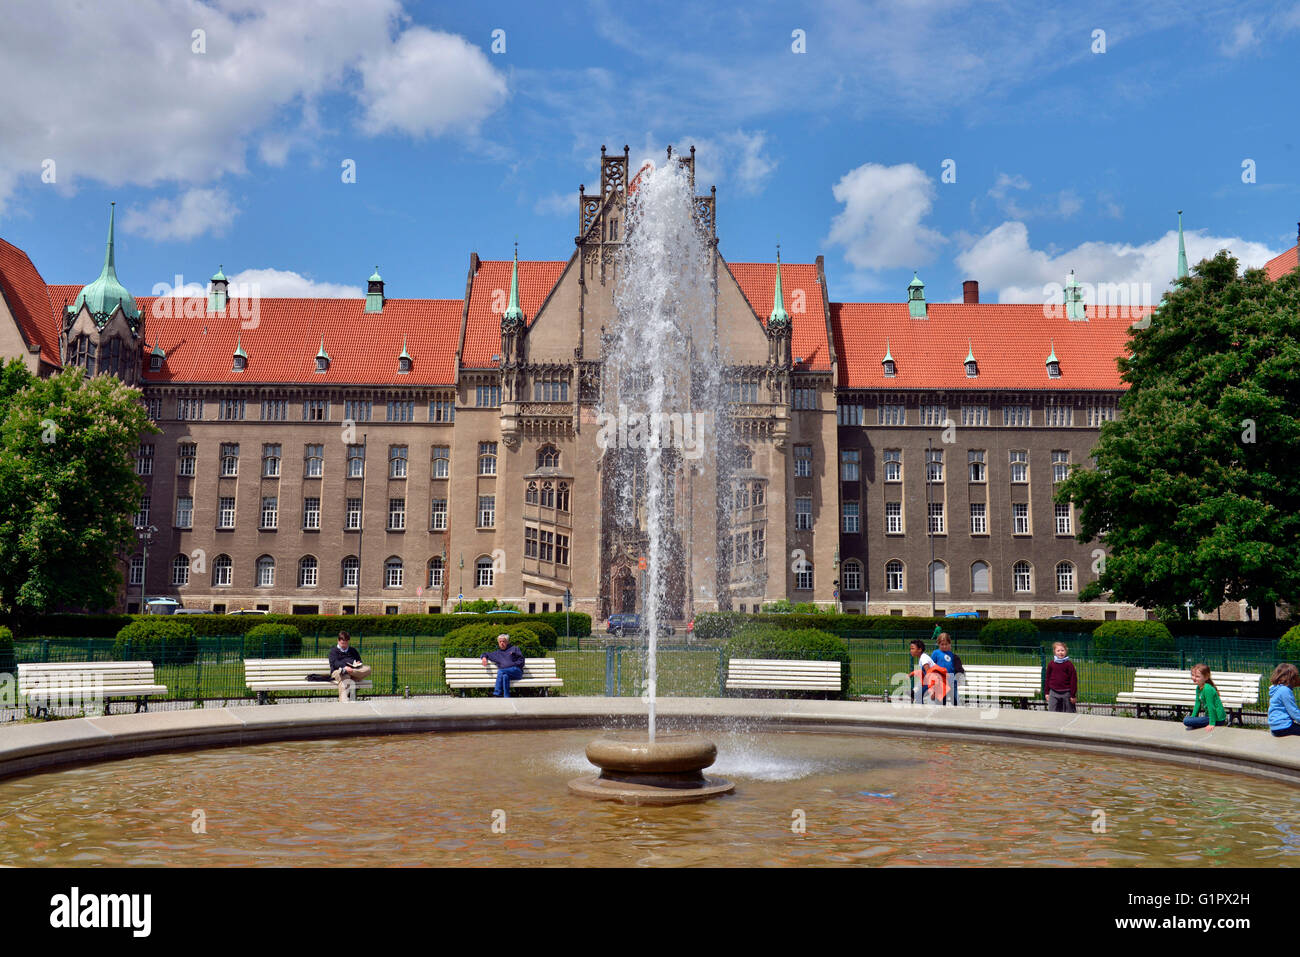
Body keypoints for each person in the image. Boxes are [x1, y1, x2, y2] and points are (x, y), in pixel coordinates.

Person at [328, 631, 371, 703]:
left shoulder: (352, 650)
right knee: (345, 677)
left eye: (346, 643)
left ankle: (349, 672)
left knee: (368, 669)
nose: (344, 645)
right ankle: (344, 701)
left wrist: (358, 663)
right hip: (338, 671)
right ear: (338, 641)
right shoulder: (333, 651)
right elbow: (335, 663)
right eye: (342, 643)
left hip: (353, 672)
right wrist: (345, 667)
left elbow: (359, 661)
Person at [482, 633, 526, 698]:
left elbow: (521, 661)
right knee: (505, 676)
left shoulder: (514, 649)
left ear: (507, 642)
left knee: (501, 671)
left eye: (503, 641)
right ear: (498, 643)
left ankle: (497, 693)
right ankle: (506, 697)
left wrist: (513, 665)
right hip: (507, 673)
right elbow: (486, 654)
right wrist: (484, 658)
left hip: (516, 672)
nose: (502, 643)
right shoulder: (497, 653)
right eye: (500, 642)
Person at [1184, 663, 1226, 730]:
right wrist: (1192, 718)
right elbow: (1197, 704)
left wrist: (1212, 723)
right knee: (1188, 720)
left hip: (1217, 719)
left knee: (1186, 720)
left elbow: (1211, 706)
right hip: (1209, 717)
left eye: (1197, 676)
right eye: (1192, 675)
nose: (1194, 678)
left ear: (1206, 677)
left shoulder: (1207, 688)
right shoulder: (1198, 688)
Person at [1043, 641, 1078, 713]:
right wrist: (1047, 692)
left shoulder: (1069, 664)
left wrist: (1073, 695)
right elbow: (1047, 678)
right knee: (1052, 712)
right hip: (1053, 692)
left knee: (1069, 712)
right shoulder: (1051, 664)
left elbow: (1073, 680)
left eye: (1062, 650)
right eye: (1058, 650)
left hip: (1066, 692)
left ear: (1066, 651)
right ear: (1054, 652)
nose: (1060, 652)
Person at [1268, 663, 1300, 737]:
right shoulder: (1285, 690)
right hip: (1284, 727)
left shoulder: (1276, 688)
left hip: (1275, 727)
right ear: (1291, 678)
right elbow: (1293, 711)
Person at [908, 638, 942, 704]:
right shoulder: (923, 658)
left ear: (920, 649)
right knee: (918, 695)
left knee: (918, 695)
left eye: (912, 648)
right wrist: (912, 673)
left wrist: (933, 691)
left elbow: (930, 675)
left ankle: (921, 711)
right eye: (910, 649)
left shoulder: (923, 659)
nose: (911, 651)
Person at [930, 632, 958, 706]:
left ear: (949, 644)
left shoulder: (951, 654)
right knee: (941, 701)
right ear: (938, 644)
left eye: (946, 644)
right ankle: (940, 715)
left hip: (951, 680)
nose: (944, 646)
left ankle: (956, 713)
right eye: (942, 644)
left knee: (955, 700)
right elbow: (932, 667)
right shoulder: (935, 653)